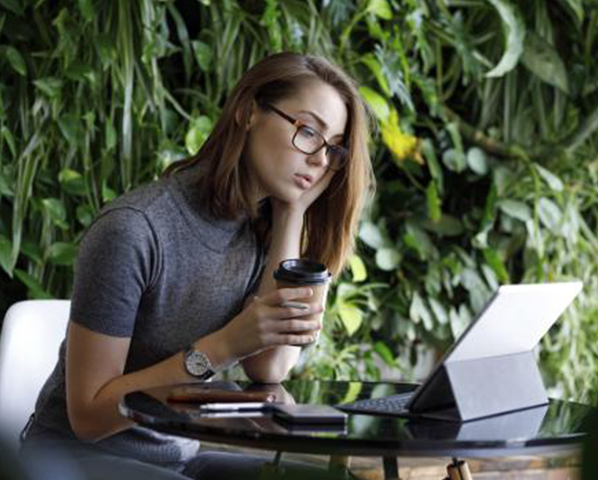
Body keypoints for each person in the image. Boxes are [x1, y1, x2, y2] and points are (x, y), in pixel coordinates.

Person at [21, 52, 374, 479]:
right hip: (69, 462)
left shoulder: (260, 231)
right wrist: (224, 346)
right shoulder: (135, 230)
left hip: (177, 461)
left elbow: (269, 368)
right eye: (308, 131)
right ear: (248, 112)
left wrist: (292, 213)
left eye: (333, 147)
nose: (319, 159)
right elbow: (88, 416)